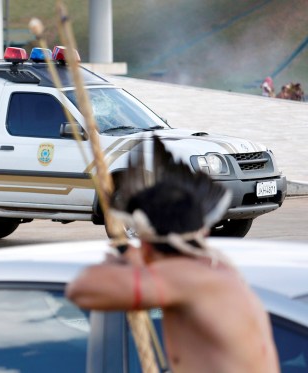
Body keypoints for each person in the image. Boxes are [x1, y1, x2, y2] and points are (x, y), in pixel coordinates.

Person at [66, 136, 280, 372]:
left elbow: (80, 290)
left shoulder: (181, 278)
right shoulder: (218, 268)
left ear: (146, 246)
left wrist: (128, 258)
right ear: (204, 231)